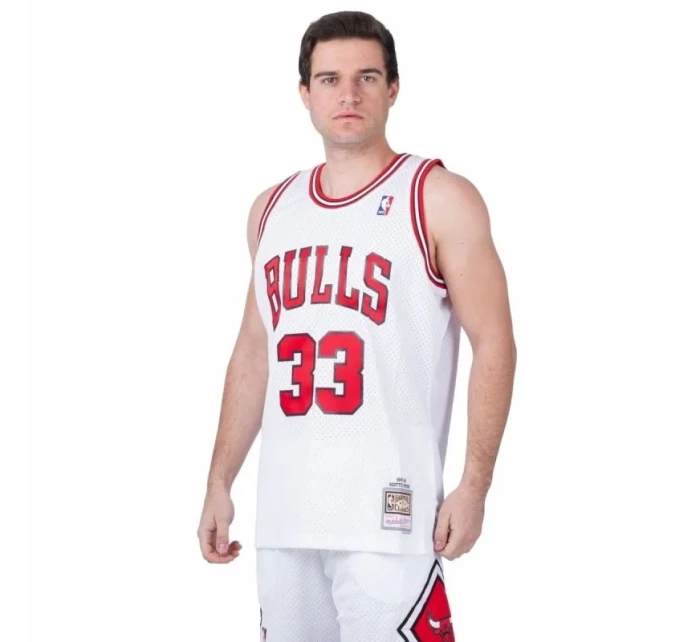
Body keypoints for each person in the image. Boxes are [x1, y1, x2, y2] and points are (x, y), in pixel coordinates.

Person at [197, 10, 516, 641]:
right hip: (285, 520)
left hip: (390, 519)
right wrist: (219, 481)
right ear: (304, 93)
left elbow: (495, 343)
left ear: (393, 88)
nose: (348, 94)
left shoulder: (438, 196)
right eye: (329, 79)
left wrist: (475, 485)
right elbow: (254, 354)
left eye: (367, 77)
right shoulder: (271, 209)